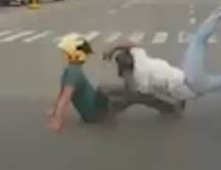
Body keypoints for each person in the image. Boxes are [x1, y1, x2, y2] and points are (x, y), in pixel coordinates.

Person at [104, 1, 221, 104]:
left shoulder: (139, 76)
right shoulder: (140, 62)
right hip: (190, 80)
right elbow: (130, 45)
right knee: (198, 39)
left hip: (190, 83)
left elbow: (137, 92)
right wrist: (112, 50)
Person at [48, 33, 176, 132]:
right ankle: (170, 106)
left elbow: (63, 95)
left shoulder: (71, 71)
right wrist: (57, 117)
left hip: (98, 109)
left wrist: (55, 114)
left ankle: (168, 105)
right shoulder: (73, 72)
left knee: (111, 89)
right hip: (98, 113)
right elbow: (65, 96)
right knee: (136, 94)